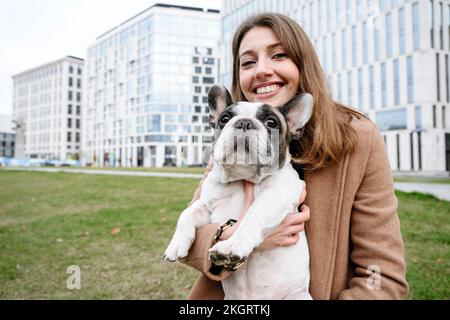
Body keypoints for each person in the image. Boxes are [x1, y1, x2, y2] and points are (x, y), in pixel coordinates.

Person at [179, 13, 409, 299]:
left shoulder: (359, 139)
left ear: (302, 63)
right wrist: (240, 237)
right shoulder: (233, 140)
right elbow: (190, 240)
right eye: (248, 62)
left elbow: (381, 274)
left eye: (278, 55)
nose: (261, 70)